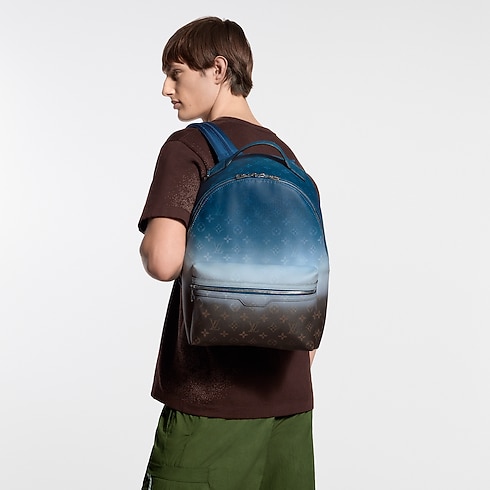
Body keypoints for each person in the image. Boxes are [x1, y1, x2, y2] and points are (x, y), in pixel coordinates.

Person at [138, 16, 318, 490]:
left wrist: (149, 240)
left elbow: (163, 261)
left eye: (176, 73)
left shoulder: (189, 147)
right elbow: (312, 279)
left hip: (209, 405)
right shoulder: (286, 158)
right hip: (290, 407)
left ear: (217, 70)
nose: (166, 88)